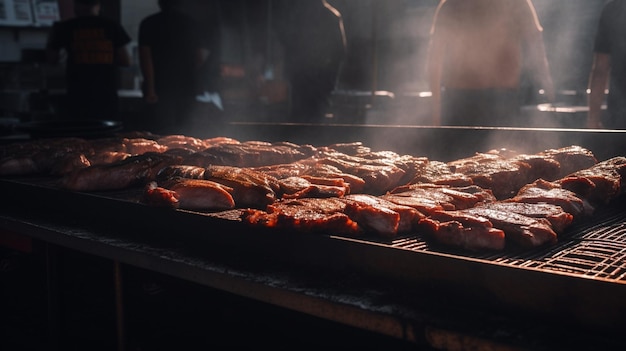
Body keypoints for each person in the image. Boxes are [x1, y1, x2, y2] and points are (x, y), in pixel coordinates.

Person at [427, 0, 555, 127]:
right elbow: (435, 59)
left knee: (505, 145)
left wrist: (548, 88)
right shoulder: (452, 4)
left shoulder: (516, 3)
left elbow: (535, 43)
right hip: (461, 100)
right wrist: (436, 114)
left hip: (501, 100)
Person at [46, 0, 132, 121]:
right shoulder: (111, 26)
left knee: (79, 136)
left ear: (76, 6)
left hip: (77, 93)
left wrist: (51, 38)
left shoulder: (65, 27)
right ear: (98, 5)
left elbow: (52, 59)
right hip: (106, 93)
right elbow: (126, 61)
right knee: (109, 135)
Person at [138, 0, 212, 135]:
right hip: (187, 87)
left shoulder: (149, 23)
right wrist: (188, 71)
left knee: (159, 134)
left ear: (160, 3)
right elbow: (201, 56)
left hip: (160, 88)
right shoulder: (192, 23)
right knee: (187, 134)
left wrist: (150, 89)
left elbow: (145, 58)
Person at [273, 0, 347, 122]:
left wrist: (326, 74)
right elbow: (289, 44)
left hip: (319, 81)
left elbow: (339, 51)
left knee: (314, 116)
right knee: (299, 116)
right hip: (302, 78)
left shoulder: (330, 17)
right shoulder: (300, 17)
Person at [587, 0, 626, 129]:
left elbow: (600, 70)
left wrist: (593, 120)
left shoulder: (613, 9)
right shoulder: (613, 10)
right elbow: (600, 70)